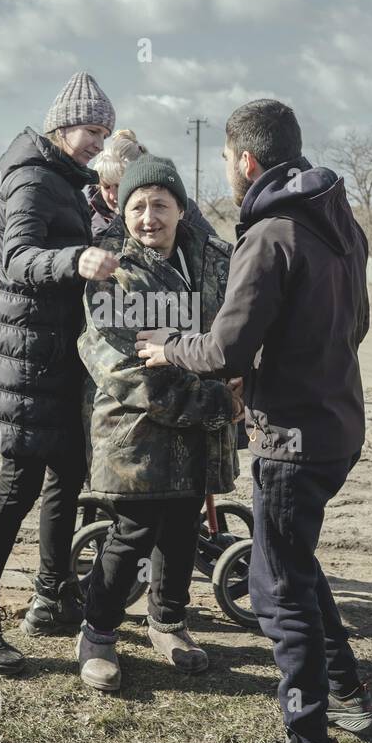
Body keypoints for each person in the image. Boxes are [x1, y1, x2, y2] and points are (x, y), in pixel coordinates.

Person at [137, 98, 372, 743]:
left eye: (225, 161)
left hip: (292, 442)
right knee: (294, 558)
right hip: (338, 427)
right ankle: (347, 690)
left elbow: (225, 346)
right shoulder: (338, 221)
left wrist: (167, 346)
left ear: (245, 161)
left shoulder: (271, 232)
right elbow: (351, 326)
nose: (226, 173)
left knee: (277, 593)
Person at [0, 71, 120, 675]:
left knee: (67, 472)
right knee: (18, 484)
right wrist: (77, 258)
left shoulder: (63, 177)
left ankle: (52, 595)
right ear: (62, 124)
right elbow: (16, 258)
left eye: (104, 132)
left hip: (54, 352)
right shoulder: (34, 176)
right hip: (27, 357)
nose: (98, 141)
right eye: (92, 129)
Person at [73, 154, 242, 691]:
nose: (149, 217)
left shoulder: (217, 259)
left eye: (160, 205)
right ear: (123, 213)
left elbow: (236, 334)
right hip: (135, 433)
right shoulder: (114, 274)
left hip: (199, 434)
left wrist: (240, 381)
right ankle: (97, 633)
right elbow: (122, 369)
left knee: (182, 528)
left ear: (181, 207)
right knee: (133, 532)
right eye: (138, 206)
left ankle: (168, 623)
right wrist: (218, 402)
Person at [88, 129, 218, 241]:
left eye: (118, 186)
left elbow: (216, 251)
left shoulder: (182, 209)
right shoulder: (87, 216)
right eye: (106, 187)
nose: (113, 196)